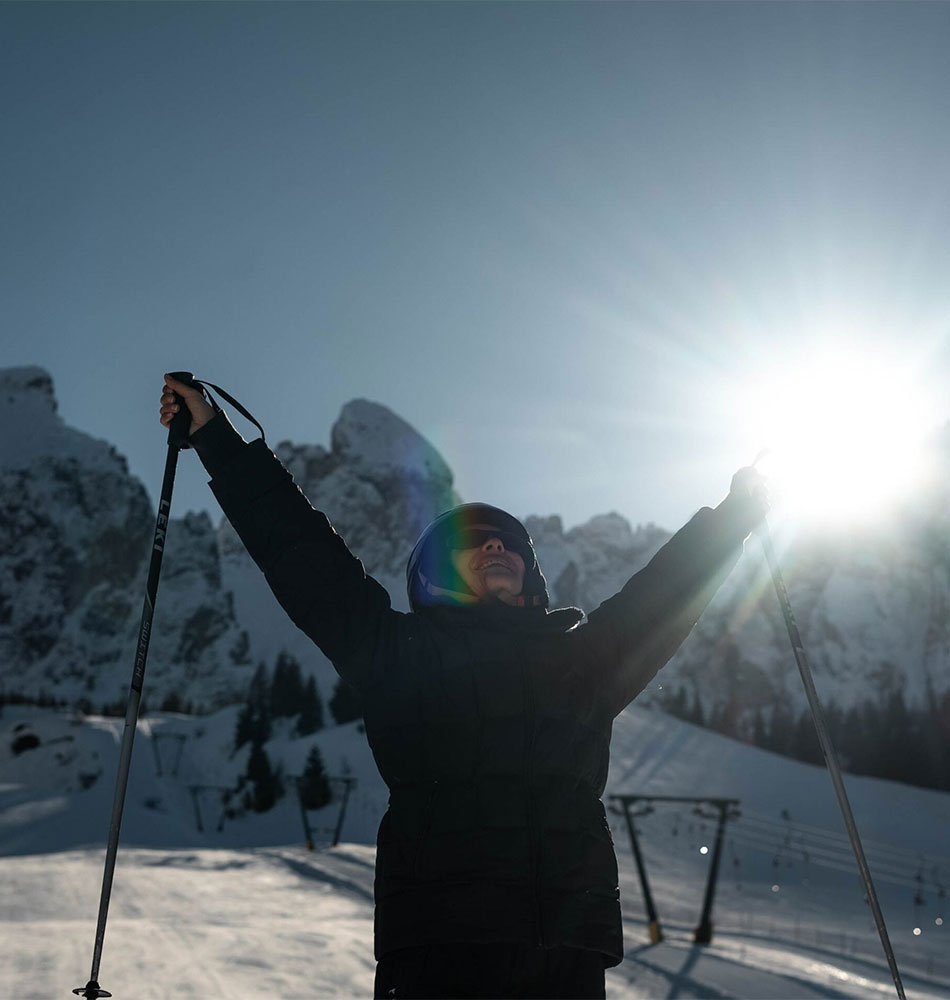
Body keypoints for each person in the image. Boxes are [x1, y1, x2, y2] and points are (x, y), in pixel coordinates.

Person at [160, 373, 767, 999]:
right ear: (434, 575)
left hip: (566, 951)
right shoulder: (397, 654)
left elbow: (661, 596)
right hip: (440, 949)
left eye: (509, 543)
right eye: (474, 543)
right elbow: (304, 556)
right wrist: (218, 441)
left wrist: (736, 518)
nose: (498, 546)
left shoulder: (581, 663)